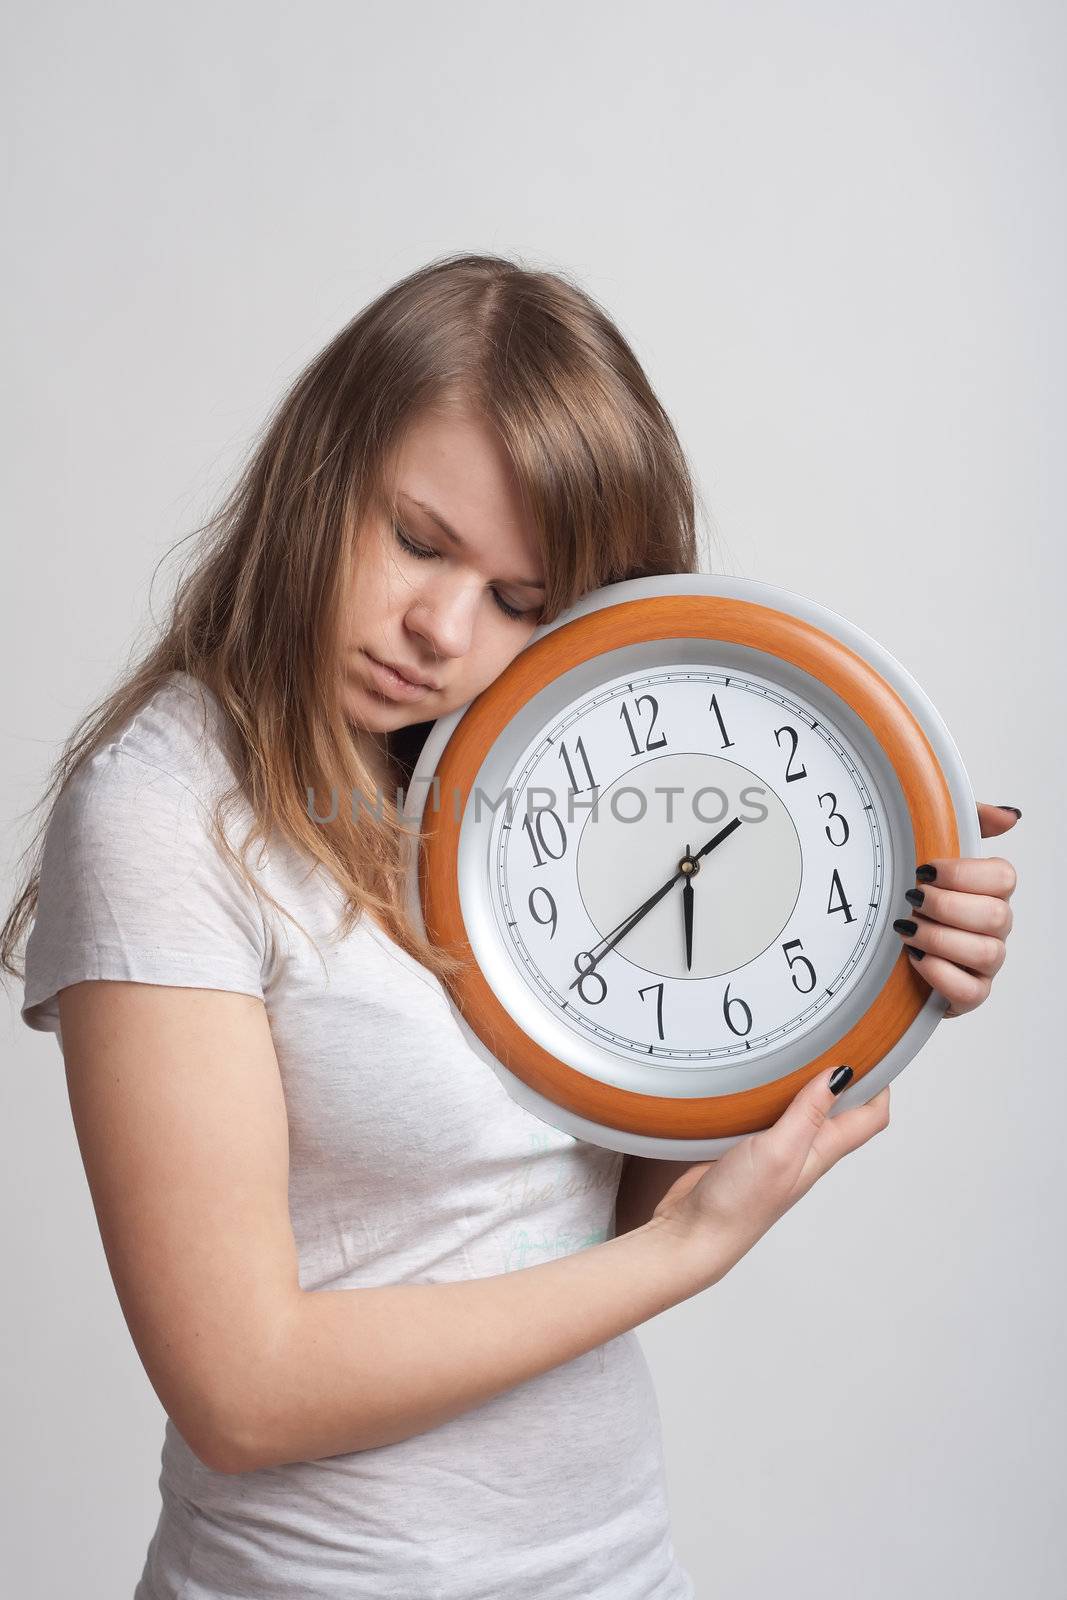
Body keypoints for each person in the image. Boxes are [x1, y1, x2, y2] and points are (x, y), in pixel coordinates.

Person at [2, 252, 1019, 1600]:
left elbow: (604, 1175)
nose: (438, 628)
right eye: (418, 540)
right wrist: (685, 1258)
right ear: (322, 471)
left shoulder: (547, 782)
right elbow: (242, 1392)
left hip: (612, 1568)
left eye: (521, 602)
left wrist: (884, 946)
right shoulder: (165, 812)